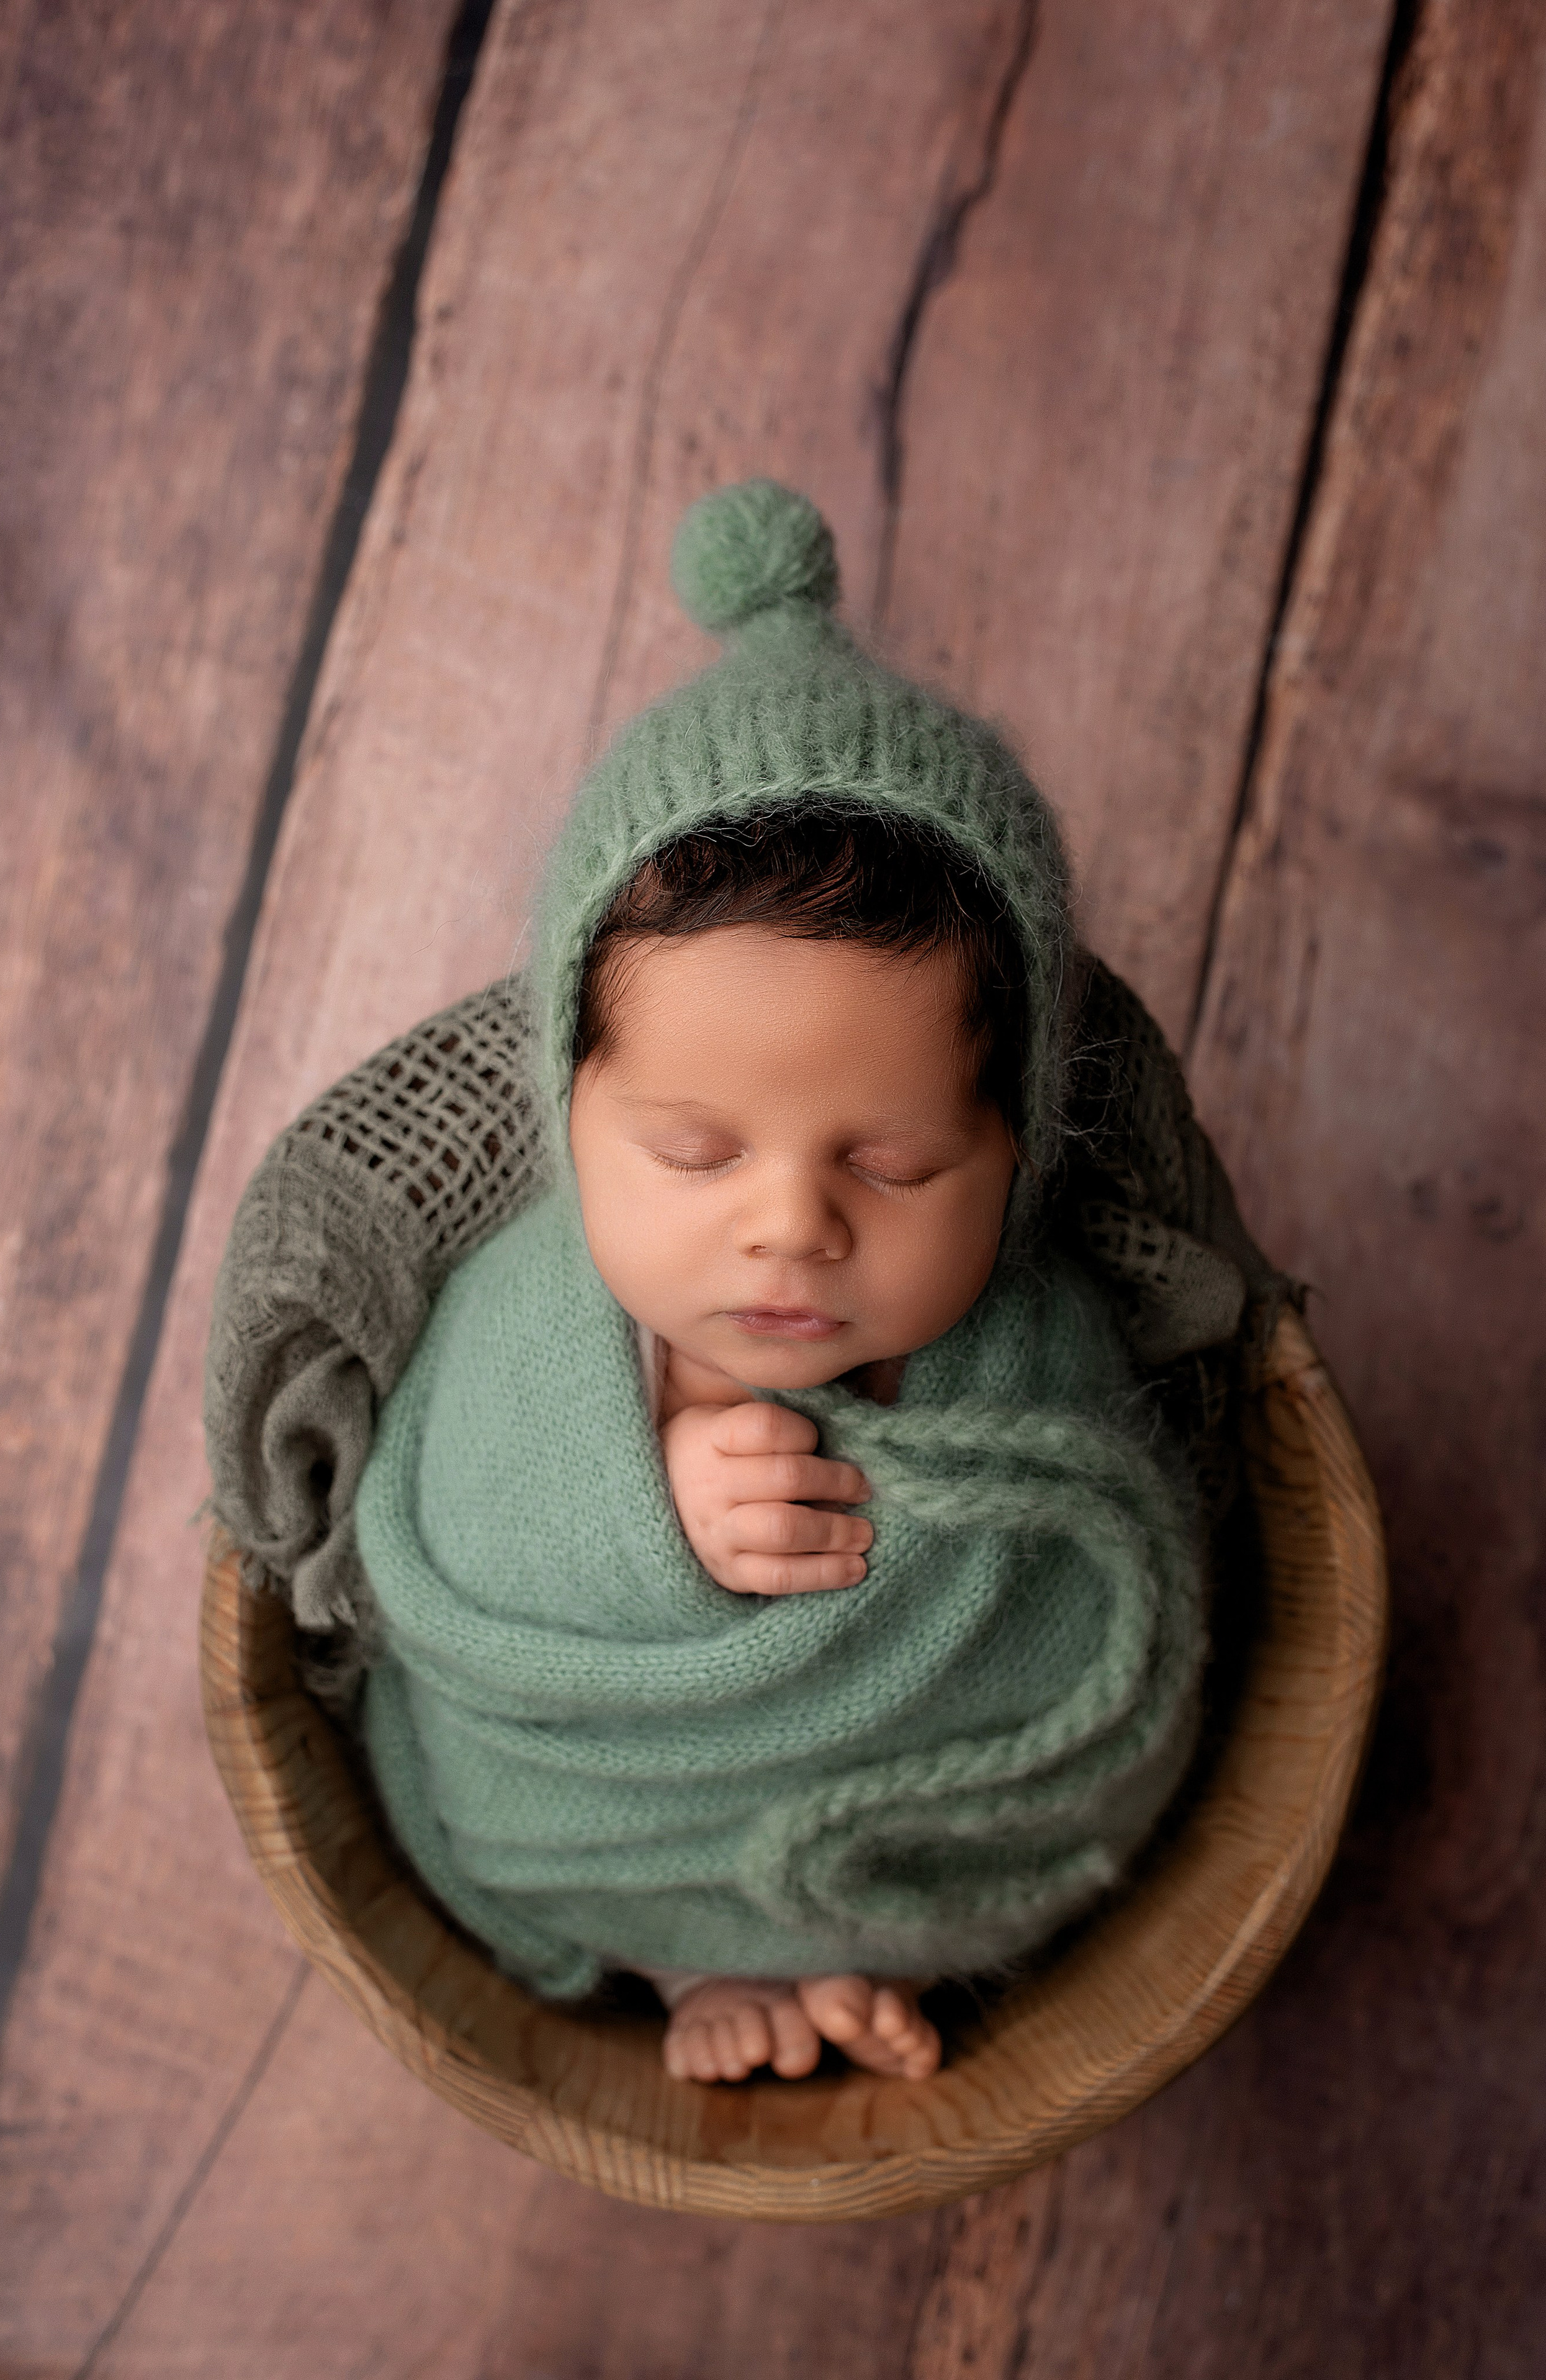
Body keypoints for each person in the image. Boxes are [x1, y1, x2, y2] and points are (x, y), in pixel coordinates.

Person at [351, 481, 1209, 2086]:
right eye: (692, 1150)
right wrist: (643, 1500)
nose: (793, 1227)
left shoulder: (1038, 1346)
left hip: (907, 1823)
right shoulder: (531, 1320)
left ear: (1018, 1143)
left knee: (1007, 1808)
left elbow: (1101, 1625)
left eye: (890, 1165)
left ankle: (847, 1959)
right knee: (529, 1814)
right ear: (571, 1115)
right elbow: (449, 1534)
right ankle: (688, 1960)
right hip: (617, 1811)